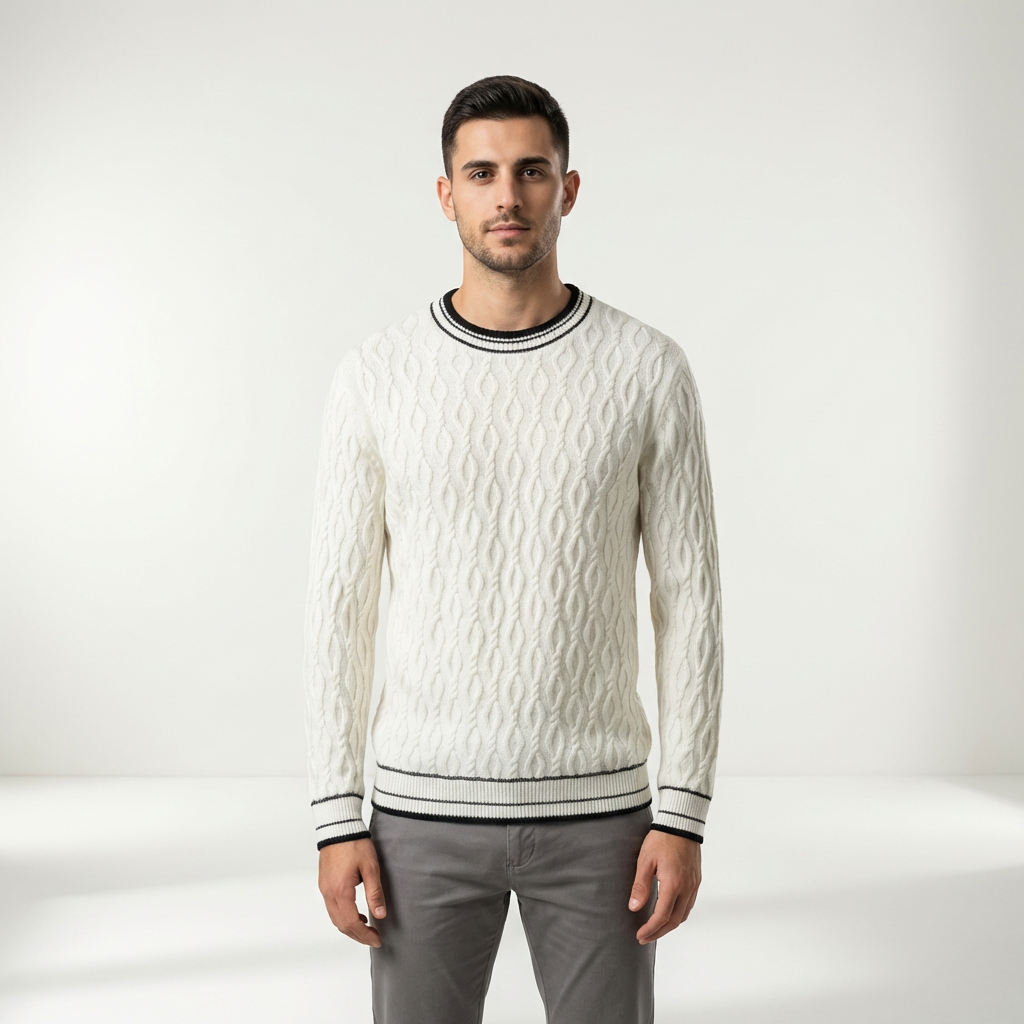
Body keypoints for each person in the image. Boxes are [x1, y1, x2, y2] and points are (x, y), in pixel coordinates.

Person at [303, 74, 723, 1024]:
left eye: (532, 171)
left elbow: (690, 603)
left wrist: (683, 812)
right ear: (445, 194)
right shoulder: (376, 376)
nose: (508, 196)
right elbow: (339, 609)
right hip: (417, 817)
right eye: (482, 173)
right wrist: (335, 816)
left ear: (567, 189)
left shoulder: (648, 370)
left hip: (604, 822)